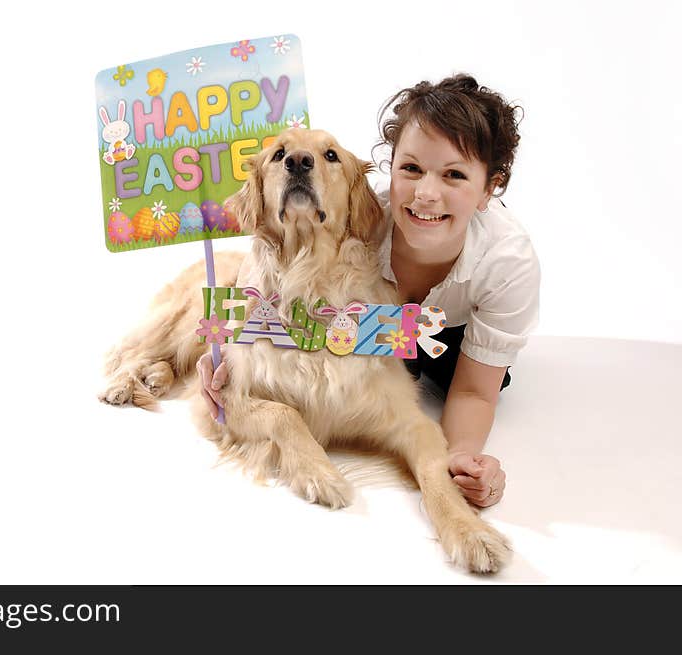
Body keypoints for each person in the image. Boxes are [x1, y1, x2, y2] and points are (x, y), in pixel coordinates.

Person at [197, 74, 540, 508]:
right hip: (364, 323)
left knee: (438, 378)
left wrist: (460, 459)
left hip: (449, 336)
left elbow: (474, 391)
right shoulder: (356, 214)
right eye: (411, 169)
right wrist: (228, 347)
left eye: (454, 174)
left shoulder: (507, 263)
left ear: (491, 188)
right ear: (391, 166)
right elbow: (265, 263)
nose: (426, 194)